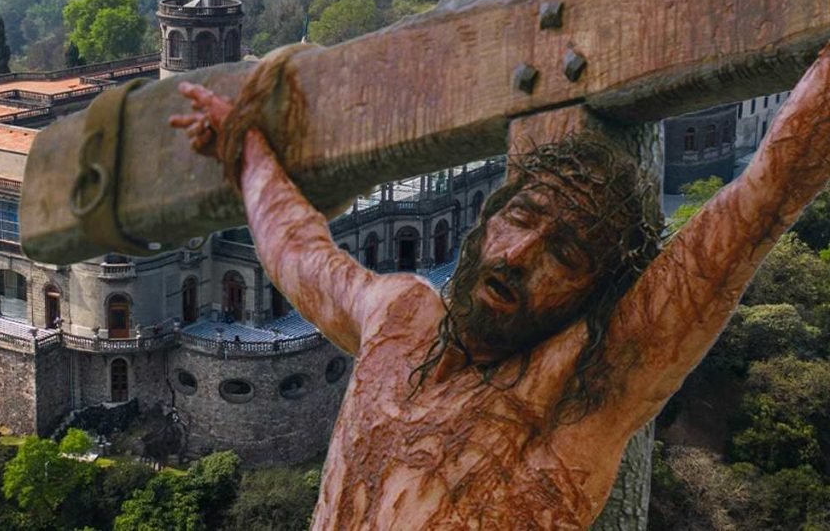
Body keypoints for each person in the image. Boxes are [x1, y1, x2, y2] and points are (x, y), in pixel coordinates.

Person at [169, 44, 830, 529]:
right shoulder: (397, 320)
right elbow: (296, 250)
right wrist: (245, 150)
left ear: (591, 296)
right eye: (519, 219)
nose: (519, 255)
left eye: (563, 255)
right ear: (486, 220)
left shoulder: (579, 399)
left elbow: (757, 206)